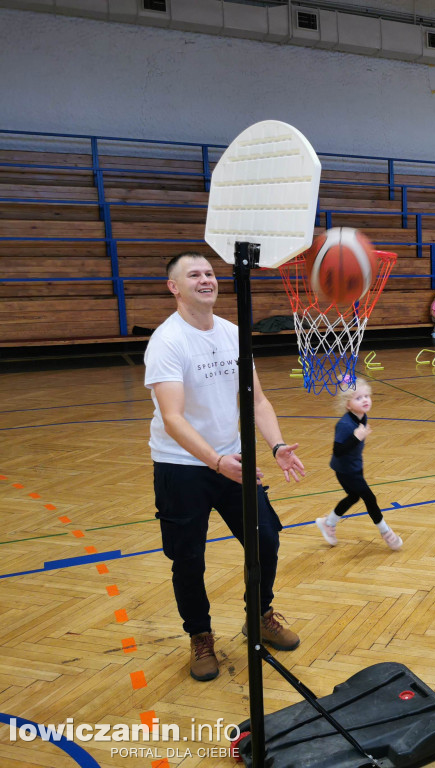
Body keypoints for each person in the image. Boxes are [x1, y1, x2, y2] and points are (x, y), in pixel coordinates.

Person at [144, 252, 304, 683]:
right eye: (193, 274)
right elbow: (173, 418)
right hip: (183, 468)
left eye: (210, 273)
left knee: (266, 537)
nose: (206, 279)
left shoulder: (233, 333)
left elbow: (257, 400)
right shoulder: (167, 342)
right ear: (174, 287)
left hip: (234, 460)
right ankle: (200, 636)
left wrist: (277, 446)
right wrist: (214, 461)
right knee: (188, 559)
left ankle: (260, 615)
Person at [314, 378, 402, 552]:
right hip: (346, 470)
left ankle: (328, 523)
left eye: (367, 396)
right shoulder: (345, 424)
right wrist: (356, 437)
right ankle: (386, 532)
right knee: (369, 498)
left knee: (353, 497)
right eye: (358, 398)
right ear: (348, 405)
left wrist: (346, 380)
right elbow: (338, 450)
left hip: (354, 466)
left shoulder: (361, 415)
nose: (365, 400)